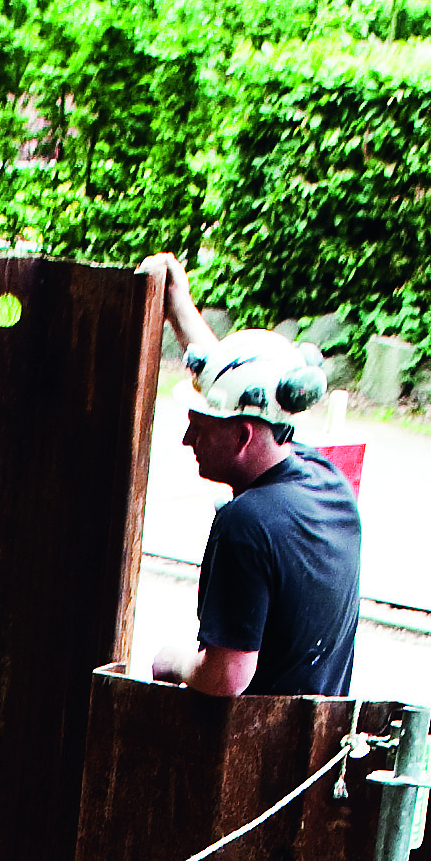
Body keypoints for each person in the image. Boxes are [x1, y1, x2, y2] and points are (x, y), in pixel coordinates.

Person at [150, 276, 358, 701]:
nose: (188, 441)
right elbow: (239, 394)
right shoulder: (325, 478)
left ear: (243, 436)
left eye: (201, 429)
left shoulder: (246, 523)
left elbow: (227, 675)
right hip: (312, 740)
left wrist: (174, 663)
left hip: (251, 752)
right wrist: (181, 311)